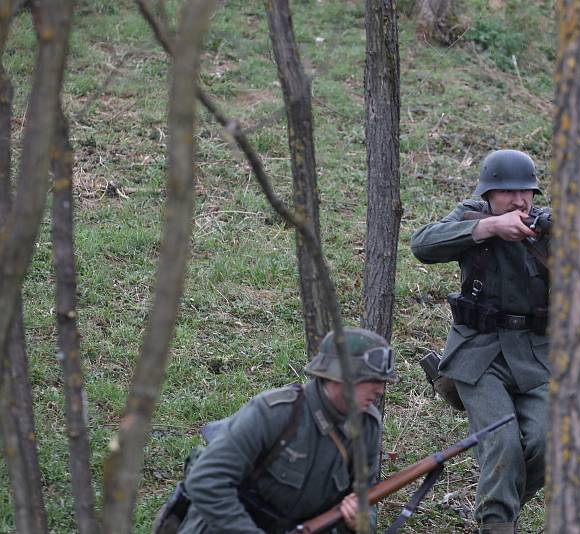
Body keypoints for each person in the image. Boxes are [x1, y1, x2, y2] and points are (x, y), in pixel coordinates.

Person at [410, 149, 550, 534]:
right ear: (488, 194)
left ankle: (499, 510)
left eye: (527, 192)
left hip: (536, 357)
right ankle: (497, 524)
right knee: (501, 443)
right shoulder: (472, 215)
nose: (519, 200)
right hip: (478, 355)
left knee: (547, 441)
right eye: (507, 192)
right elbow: (422, 244)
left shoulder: (547, 229)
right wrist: (488, 228)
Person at [176, 327, 398, 534]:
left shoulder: (367, 426)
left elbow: (365, 500)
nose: (380, 390)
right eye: (372, 380)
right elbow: (205, 480)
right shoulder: (274, 412)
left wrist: (359, 520)